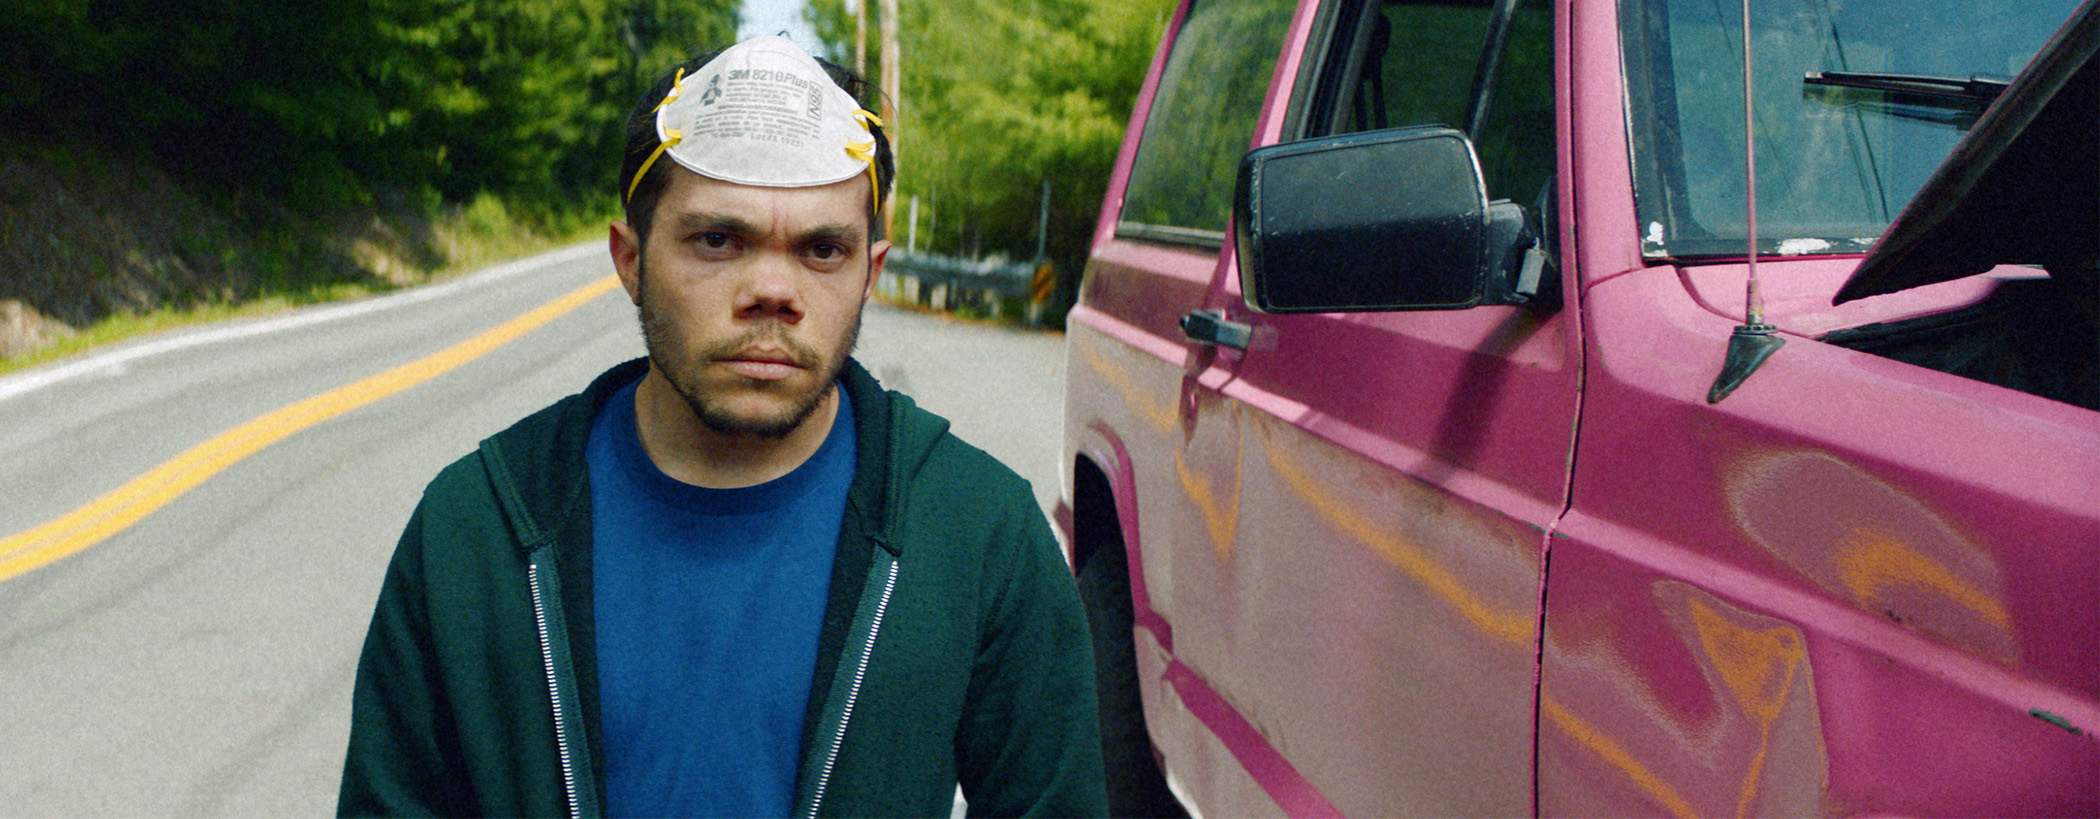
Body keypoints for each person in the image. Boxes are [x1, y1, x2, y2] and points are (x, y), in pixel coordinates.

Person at [337, 35, 1106, 818]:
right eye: (717, 240)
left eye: (822, 249)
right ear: (630, 259)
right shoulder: (476, 531)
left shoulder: (978, 535)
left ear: (869, 274)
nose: (772, 289)